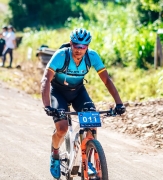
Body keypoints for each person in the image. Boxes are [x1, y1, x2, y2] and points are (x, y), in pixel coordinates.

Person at [41, 28, 126, 179]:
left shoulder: (92, 56)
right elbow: (46, 80)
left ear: (87, 46)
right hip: (58, 93)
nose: (79, 50)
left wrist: (119, 103)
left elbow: (106, 80)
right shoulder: (61, 55)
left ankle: (89, 155)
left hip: (78, 92)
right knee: (62, 128)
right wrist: (47, 105)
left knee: (92, 124)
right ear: (70, 43)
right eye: (76, 45)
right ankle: (55, 154)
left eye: (83, 46)